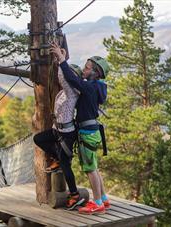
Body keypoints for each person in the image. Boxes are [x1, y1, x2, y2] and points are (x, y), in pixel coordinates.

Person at [50, 42, 110, 215]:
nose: (83, 70)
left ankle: (97, 203)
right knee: (94, 167)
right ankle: (104, 199)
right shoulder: (97, 87)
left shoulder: (89, 88)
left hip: (87, 132)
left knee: (90, 169)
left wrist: (61, 59)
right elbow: (76, 79)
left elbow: (72, 79)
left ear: (95, 73)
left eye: (87, 68)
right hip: (93, 131)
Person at [33, 62, 84, 210]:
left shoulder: (72, 92)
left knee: (66, 165)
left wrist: (60, 61)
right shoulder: (62, 93)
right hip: (58, 130)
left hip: (67, 134)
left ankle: (74, 194)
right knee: (39, 139)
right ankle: (57, 158)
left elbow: (62, 78)